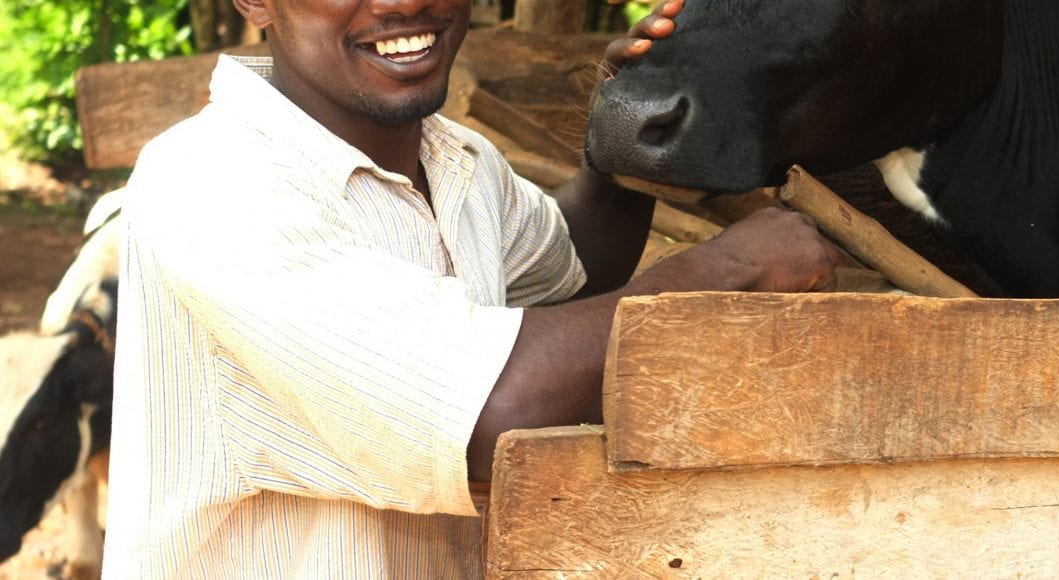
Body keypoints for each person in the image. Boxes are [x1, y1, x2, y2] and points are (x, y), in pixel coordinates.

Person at [101, 0, 838, 575]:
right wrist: (726, 268)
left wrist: (626, 134)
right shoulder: (214, 183)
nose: (403, 6)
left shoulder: (458, 160)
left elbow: (573, 266)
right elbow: (493, 408)